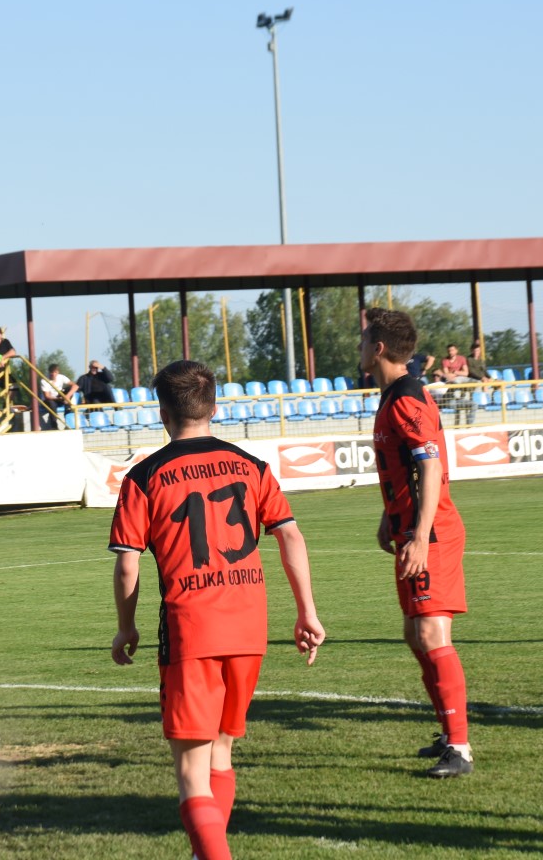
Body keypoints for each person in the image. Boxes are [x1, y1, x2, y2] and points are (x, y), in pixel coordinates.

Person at [109, 359, 323, 860]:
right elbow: (290, 535)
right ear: (214, 409)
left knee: (191, 771)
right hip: (249, 627)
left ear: (162, 413)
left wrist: (126, 627)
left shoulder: (144, 476)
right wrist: (307, 612)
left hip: (191, 629)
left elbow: (127, 564)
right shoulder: (252, 466)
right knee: (221, 752)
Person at [361, 308, 473, 778]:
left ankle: (460, 748)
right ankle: (449, 734)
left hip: (432, 533)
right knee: (415, 634)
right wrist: (390, 518)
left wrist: (422, 536)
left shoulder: (406, 399)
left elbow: (429, 466)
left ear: (379, 349)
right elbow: (407, 467)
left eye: (364, 340)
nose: (359, 347)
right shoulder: (395, 395)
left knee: (431, 634)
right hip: (411, 529)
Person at [38, 364, 79, 429]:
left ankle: (68, 424)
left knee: (69, 391)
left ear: (58, 372)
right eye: (51, 372)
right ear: (49, 372)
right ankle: (54, 426)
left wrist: (67, 396)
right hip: (49, 399)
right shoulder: (44, 380)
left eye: (55, 372)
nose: (53, 374)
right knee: (52, 404)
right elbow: (47, 396)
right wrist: (58, 398)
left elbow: (76, 386)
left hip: (60, 397)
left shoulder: (61, 377)